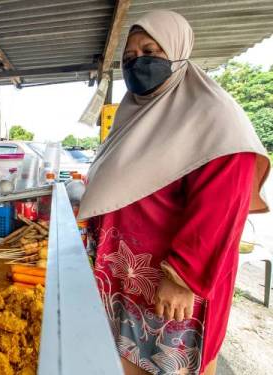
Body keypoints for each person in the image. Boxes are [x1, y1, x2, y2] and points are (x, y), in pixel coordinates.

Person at [78, 10, 270, 375]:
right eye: (130, 57)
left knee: (169, 364)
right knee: (126, 361)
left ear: (179, 53)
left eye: (151, 51)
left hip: (171, 286)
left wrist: (182, 279)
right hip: (128, 279)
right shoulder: (134, 115)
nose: (139, 63)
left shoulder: (214, 118)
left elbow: (223, 209)